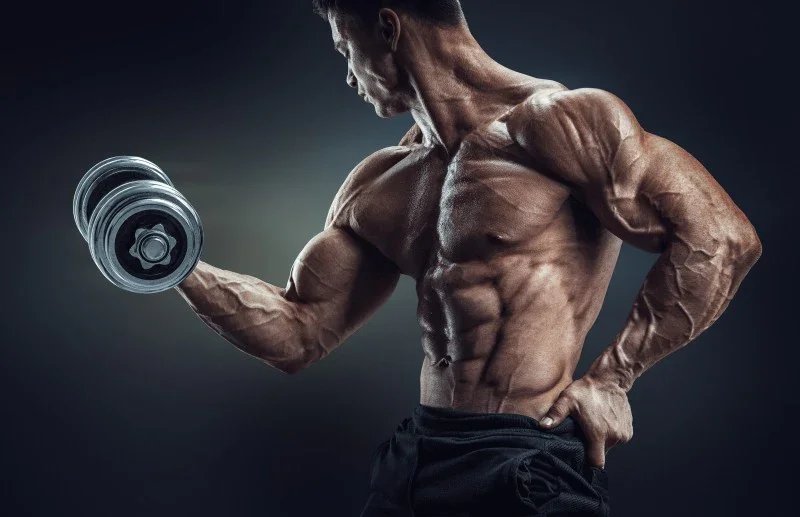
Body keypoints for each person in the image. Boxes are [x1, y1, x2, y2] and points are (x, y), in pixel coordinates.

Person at [176, 1, 762, 515]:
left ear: (387, 27)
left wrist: (613, 380)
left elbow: (721, 239)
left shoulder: (561, 122)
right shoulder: (382, 181)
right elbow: (299, 330)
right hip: (418, 459)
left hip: (524, 460)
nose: (347, 72)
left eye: (342, 45)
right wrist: (177, 265)